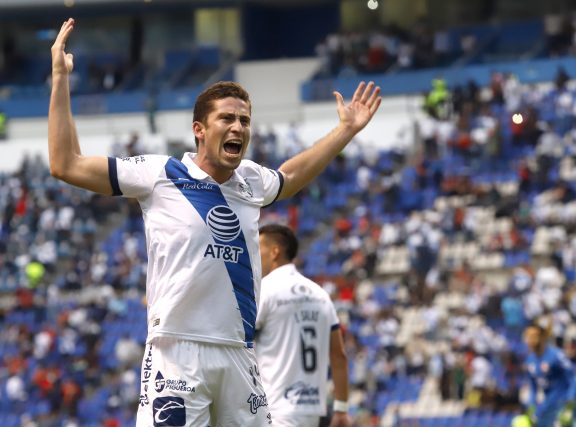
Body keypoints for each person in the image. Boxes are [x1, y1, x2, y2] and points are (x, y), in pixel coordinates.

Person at [48, 18, 381, 427]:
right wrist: (60, 79)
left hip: (239, 355)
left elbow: (291, 177)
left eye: (244, 120)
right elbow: (66, 164)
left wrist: (345, 130)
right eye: (227, 118)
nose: (238, 126)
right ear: (199, 130)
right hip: (178, 353)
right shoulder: (160, 174)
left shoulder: (251, 181)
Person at [255, 224, 350, 427]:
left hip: (274, 410)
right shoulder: (321, 295)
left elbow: (240, 340)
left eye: (258, 248)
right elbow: (339, 354)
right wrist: (341, 409)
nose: (254, 255)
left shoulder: (265, 290)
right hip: (311, 412)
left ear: (275, 252)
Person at [522, 322, 575, 427]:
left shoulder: (557, 355)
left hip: (563, 403)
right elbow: (533, 387)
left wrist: (570, 402)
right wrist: (531, 405)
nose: (530, 340)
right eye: (527, 336)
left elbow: (573, 378)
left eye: (533, 336)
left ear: (541, 337)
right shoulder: (529, 361)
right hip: (547, 405)